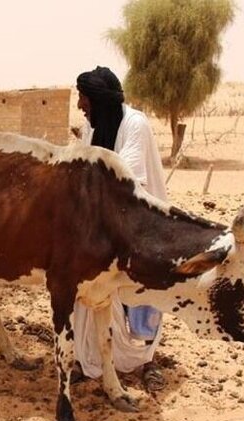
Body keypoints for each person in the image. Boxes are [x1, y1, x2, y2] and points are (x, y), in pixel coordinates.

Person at [73, 66, 168, 391]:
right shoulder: (91, 128)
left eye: (83, 97)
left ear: (98, 99)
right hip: (104, 223)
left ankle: (146, 361)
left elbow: (126, 177)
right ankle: (92, 360)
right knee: (93, 288)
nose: (79, 105)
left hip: (139, 222)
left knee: (140, 294)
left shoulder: (135, 125)